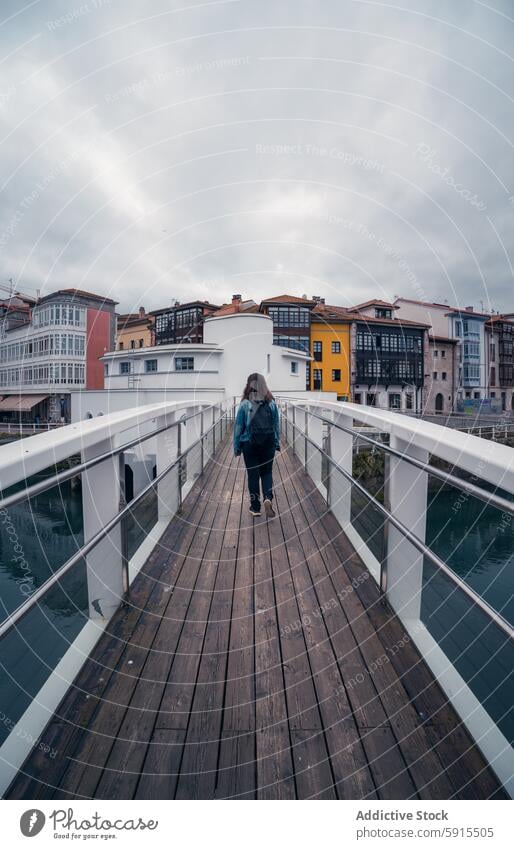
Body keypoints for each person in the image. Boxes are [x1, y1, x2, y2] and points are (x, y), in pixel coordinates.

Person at [233, 373, 281, 517]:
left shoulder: (244, 404)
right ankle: (268, 497)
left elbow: (238, 428)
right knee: (267, 472)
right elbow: (276, 425)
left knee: (253, 475)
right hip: (268, 443)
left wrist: (237, 448)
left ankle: (255, 508)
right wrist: (276, 443)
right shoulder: (271, 403)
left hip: (249, 444)